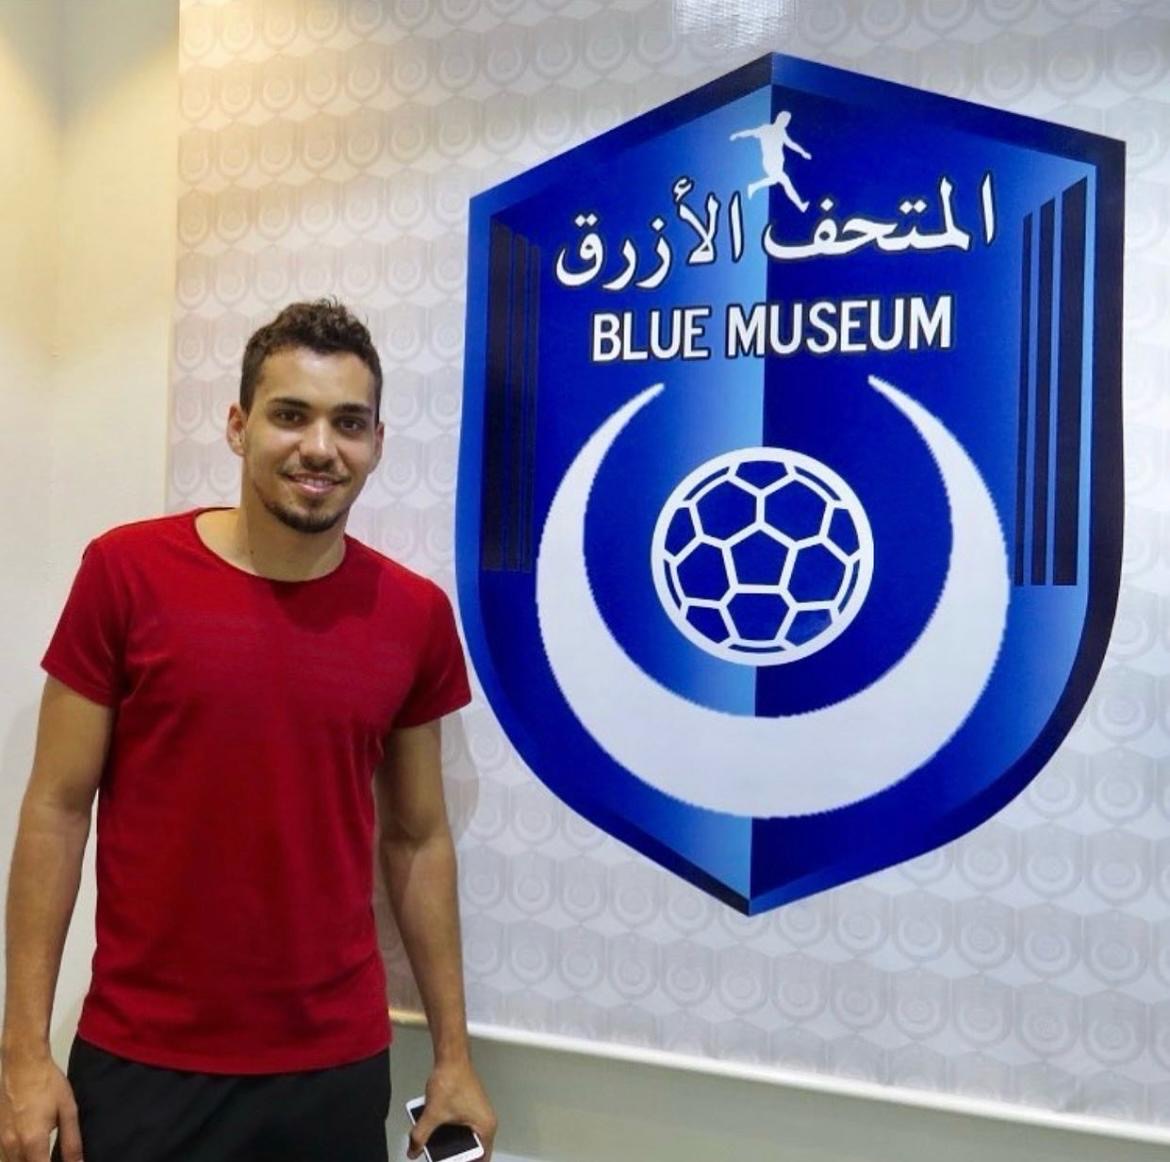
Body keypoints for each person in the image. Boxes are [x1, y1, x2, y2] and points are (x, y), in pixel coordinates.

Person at [0, 300, 496, 1162]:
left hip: (334, 1070)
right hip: (145, 1063)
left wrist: (453, 1056)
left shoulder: (414, 615)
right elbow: (56, 809)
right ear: (238, 426)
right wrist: (21, 1053)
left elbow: (418, 840)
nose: (320, 447)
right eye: (290, 415)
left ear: (377, 442)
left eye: (348, 423)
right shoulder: (125, 573)